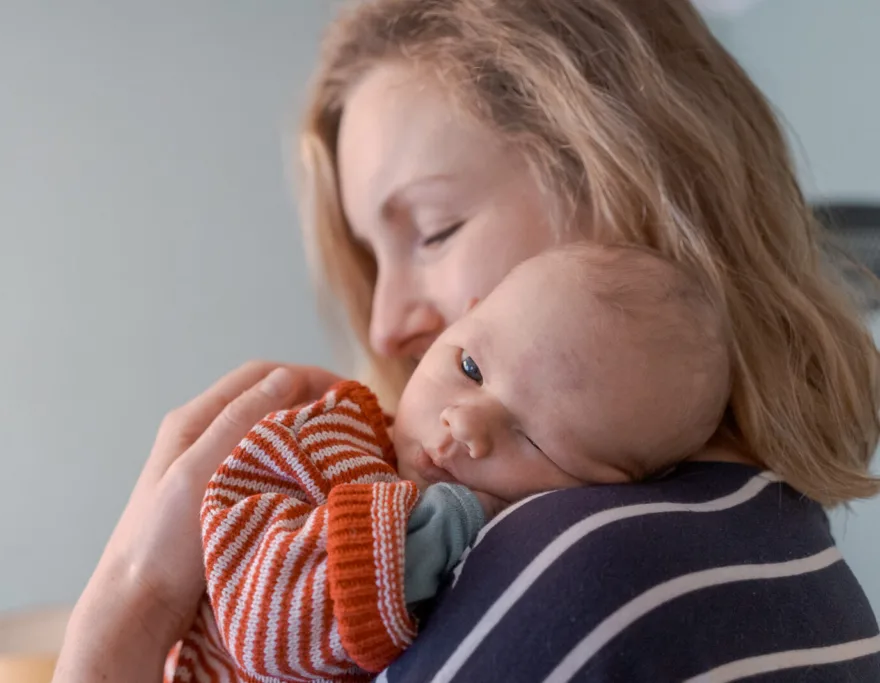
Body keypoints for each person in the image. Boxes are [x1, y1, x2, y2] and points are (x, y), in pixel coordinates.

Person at [53, 1, 880, 681]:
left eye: (434, 228)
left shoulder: (576, 573)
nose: (384, 324)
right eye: (372, 257)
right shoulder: (770, 537)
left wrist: (132, 607)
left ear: (631, 183)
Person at [167, 244, 732, 682]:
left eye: (533, 440)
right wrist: (430, 533)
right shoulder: (320, 445)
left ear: (608, 489)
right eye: (470, 368)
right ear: (458, 323)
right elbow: (260, 624)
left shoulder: (534, 551)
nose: (464, 424)